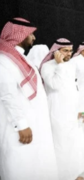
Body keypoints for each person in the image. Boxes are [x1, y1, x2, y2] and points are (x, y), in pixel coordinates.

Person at [0, 18, 58, 180]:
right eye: (31, 34)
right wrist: (21, 124)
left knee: (36, 164)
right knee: (20, 164)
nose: (33, 38)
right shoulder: (4, 61)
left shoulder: (20, 59)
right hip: (18, 127)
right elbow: (7, 95)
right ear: (19, 36)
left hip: (34, 123)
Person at [40, 38, 84, 180]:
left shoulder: (71, 65)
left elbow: (75, 88)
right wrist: (60, 65)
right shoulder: (47, 66)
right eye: (65, 51)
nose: (69, 54)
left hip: (72, 110)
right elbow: (54, 85)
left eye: (70, 51)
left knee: (74, 142)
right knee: (61, 143)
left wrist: (81, 109)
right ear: (56, 51)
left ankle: (73, 174)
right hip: (57, 110)